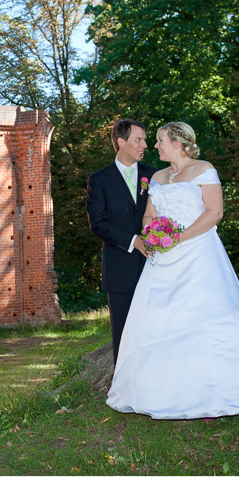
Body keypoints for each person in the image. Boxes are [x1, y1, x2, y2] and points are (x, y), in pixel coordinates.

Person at [107, 122, 239, 420]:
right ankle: (162, 391)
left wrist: (178, 238)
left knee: (204, 318)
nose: (156, 146)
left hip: (199, 255)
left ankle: (219, 390)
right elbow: (150, 214)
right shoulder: (158, 177)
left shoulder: (204, 169)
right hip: (163, 261)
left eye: (160, 140)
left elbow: (214, 212)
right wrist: (154, 231)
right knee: (161, 320)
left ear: (176, 142)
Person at [86, 119, 158, 364]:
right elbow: (98, 223)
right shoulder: (99, 180)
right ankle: (124, 387)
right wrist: (133, 241)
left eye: (145, 140)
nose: (145, 145)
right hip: (119, 267)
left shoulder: (155, 175)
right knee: (123, 331)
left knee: (156, 327)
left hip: (157, 266)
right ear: (121, 142)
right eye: (139, 140)